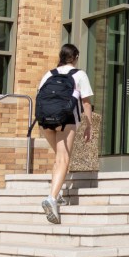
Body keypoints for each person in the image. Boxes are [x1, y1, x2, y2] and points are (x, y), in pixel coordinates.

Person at [37, 43, 94, 223]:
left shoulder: (49, 74)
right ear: (75, 56)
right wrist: (89, 125)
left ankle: (57, 192)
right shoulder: (79, 74)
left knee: (60, 158)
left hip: (45, 121)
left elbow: (40, 95)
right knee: (63, 159)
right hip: (66, 121)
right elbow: (86, 103)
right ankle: (51, 199)